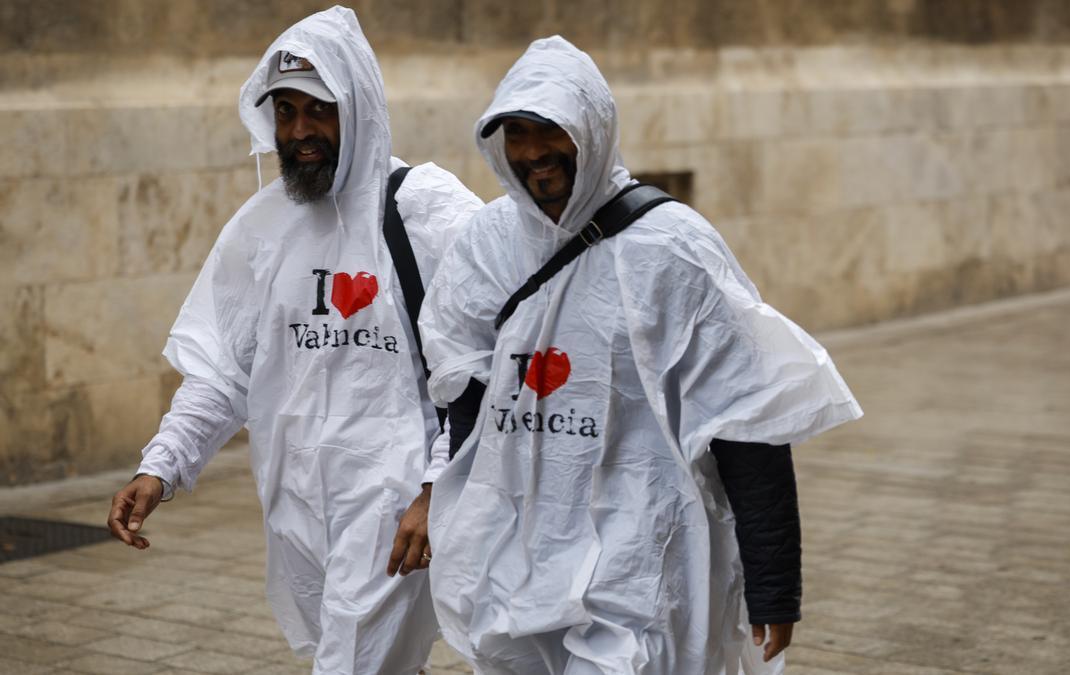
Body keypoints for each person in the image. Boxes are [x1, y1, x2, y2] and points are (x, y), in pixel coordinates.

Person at [418, 36, 863, 674]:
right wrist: (438, 496)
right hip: (517, 557)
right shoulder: (486, 246)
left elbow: (744, 421)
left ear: (593, 131)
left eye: (552, 130)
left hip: (641, 559)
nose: (534, 153)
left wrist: (774, 584)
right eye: (516, 133)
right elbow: (463, 396)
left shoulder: (673, 249)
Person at [104, 7, 480, 674]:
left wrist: (435, 489)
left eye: (318, 110)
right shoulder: (263, 228)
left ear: (356, 106)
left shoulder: (427, 211)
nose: (300, 132)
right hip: (299, 510)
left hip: (394, 508)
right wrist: (161, 466)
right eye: (285, 112)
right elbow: (226, 371)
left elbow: (485, 364)